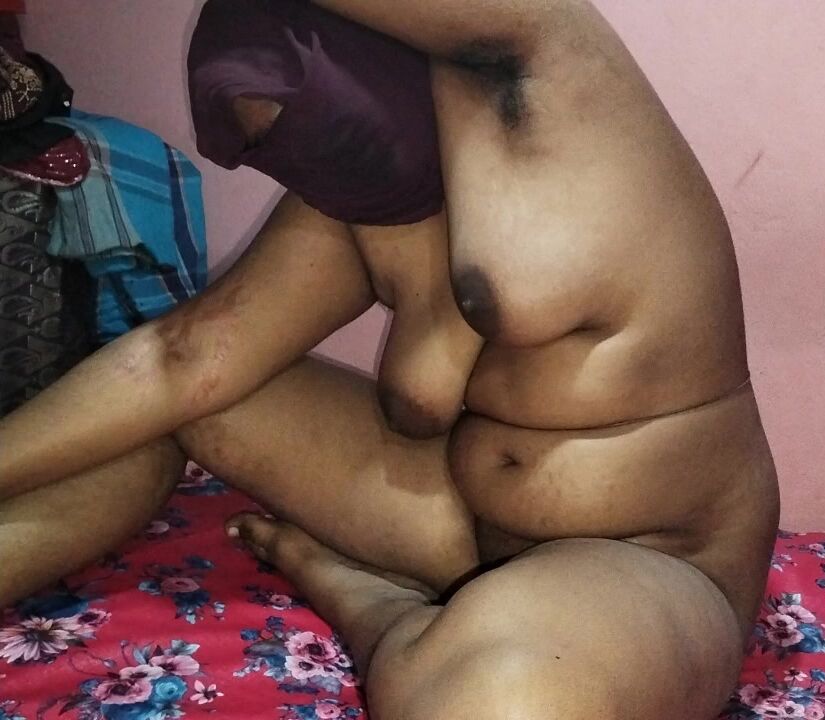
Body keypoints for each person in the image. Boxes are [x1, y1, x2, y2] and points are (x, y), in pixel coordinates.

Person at [0, 0, 780, 716]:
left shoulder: (563, 106)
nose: (299, 157)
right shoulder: (351, 198)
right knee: (151, 408)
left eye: (303, 117)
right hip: (454, 524)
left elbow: (524, 20)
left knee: (495, 698)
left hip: (649, 557)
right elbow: (184, 357)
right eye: (267, 142)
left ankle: (377, 612)